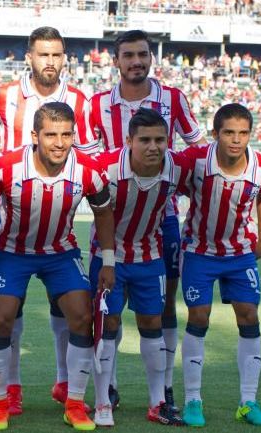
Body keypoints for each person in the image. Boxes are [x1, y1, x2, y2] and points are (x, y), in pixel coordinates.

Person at [0, 26, 94, 412]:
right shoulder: (7, 94)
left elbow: (88, 154)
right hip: (12, 209)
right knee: (11, 310)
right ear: (29, 56)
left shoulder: (78, 99)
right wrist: (2, 166)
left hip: (57, 209)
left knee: (69, 308)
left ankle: (65, 382)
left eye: (57, 55)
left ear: (64, 58)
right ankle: (12, 386)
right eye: (43, 54)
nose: (50, 62)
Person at [88, 29, 207, 411]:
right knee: (109, 310)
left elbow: (199, 151)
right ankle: (110, 387)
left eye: (142, 54)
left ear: (151, 58)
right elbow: (92, 165)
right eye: (129, 55)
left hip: (162, 218)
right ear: (116, 60)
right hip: (111, 216)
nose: (136, 61)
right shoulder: (96, 105)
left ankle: (165, 389)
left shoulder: (173, 98)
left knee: (161, 306)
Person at [0, 102, 114, 431]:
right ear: (34, 136)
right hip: (13, 252)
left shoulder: (87, 170)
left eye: (66, 134)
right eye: (51, 135)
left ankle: (74, 403)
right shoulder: (5, 168)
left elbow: (103, 212)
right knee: (0, 319)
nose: (59, 142)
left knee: (83, 317)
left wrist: (109, 260)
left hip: (60, 252)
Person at [178, 103, 261, 428]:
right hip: (199, 251)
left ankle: (248, 402)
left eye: (243, 133)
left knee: (249, 315)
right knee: (199, 316)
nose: (236, 140)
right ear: (216, 133)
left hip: (239, 254)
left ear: (250, 134)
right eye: (229, 132)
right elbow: (168, 188)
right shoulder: (195, 162)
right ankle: (193, 399)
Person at [89, 108, 188, 427]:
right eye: (144, 139)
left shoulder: (176, 168)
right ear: (129, 140)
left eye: (160, 139)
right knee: (108, 325)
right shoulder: (106, 168)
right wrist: (105, 259)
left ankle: (157, 401)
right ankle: (103, 399)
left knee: (152, 322)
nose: (153, 146)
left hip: (149, 256)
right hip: (109, 258)